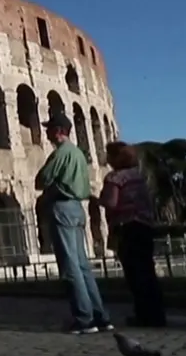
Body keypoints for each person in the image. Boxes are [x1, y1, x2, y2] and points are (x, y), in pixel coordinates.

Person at [37, 111, 113, 334]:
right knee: (82, 266)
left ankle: (84, 319)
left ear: (59, 131)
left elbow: (41, 179)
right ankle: (101, 317)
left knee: (70, 267)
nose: (47, 132)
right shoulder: (79, 153)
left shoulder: (61, 152)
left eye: (49, 128)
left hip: (62, 207)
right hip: (78, 208)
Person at [99, 142, 166, 327]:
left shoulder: (115, 178)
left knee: (135, 275)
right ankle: (157, 315)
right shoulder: (138, 176)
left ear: (114, 158)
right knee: (148, 272)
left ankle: (143, 315)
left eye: (109, 155)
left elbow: (111, 203)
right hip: (144, 225)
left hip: (127, 226)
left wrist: (96, 199)